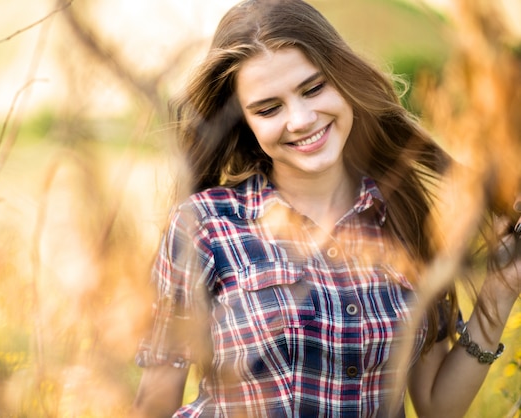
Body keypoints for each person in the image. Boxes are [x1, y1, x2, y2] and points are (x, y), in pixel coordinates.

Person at [131, 0, 521, 416]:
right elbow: (156, 398)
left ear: (344, 79)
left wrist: (498, 296)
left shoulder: (409, 219)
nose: (300, 119)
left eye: (314, 88)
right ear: (245, 121)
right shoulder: (205, 226)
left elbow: (435, 406)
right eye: (268, 108)